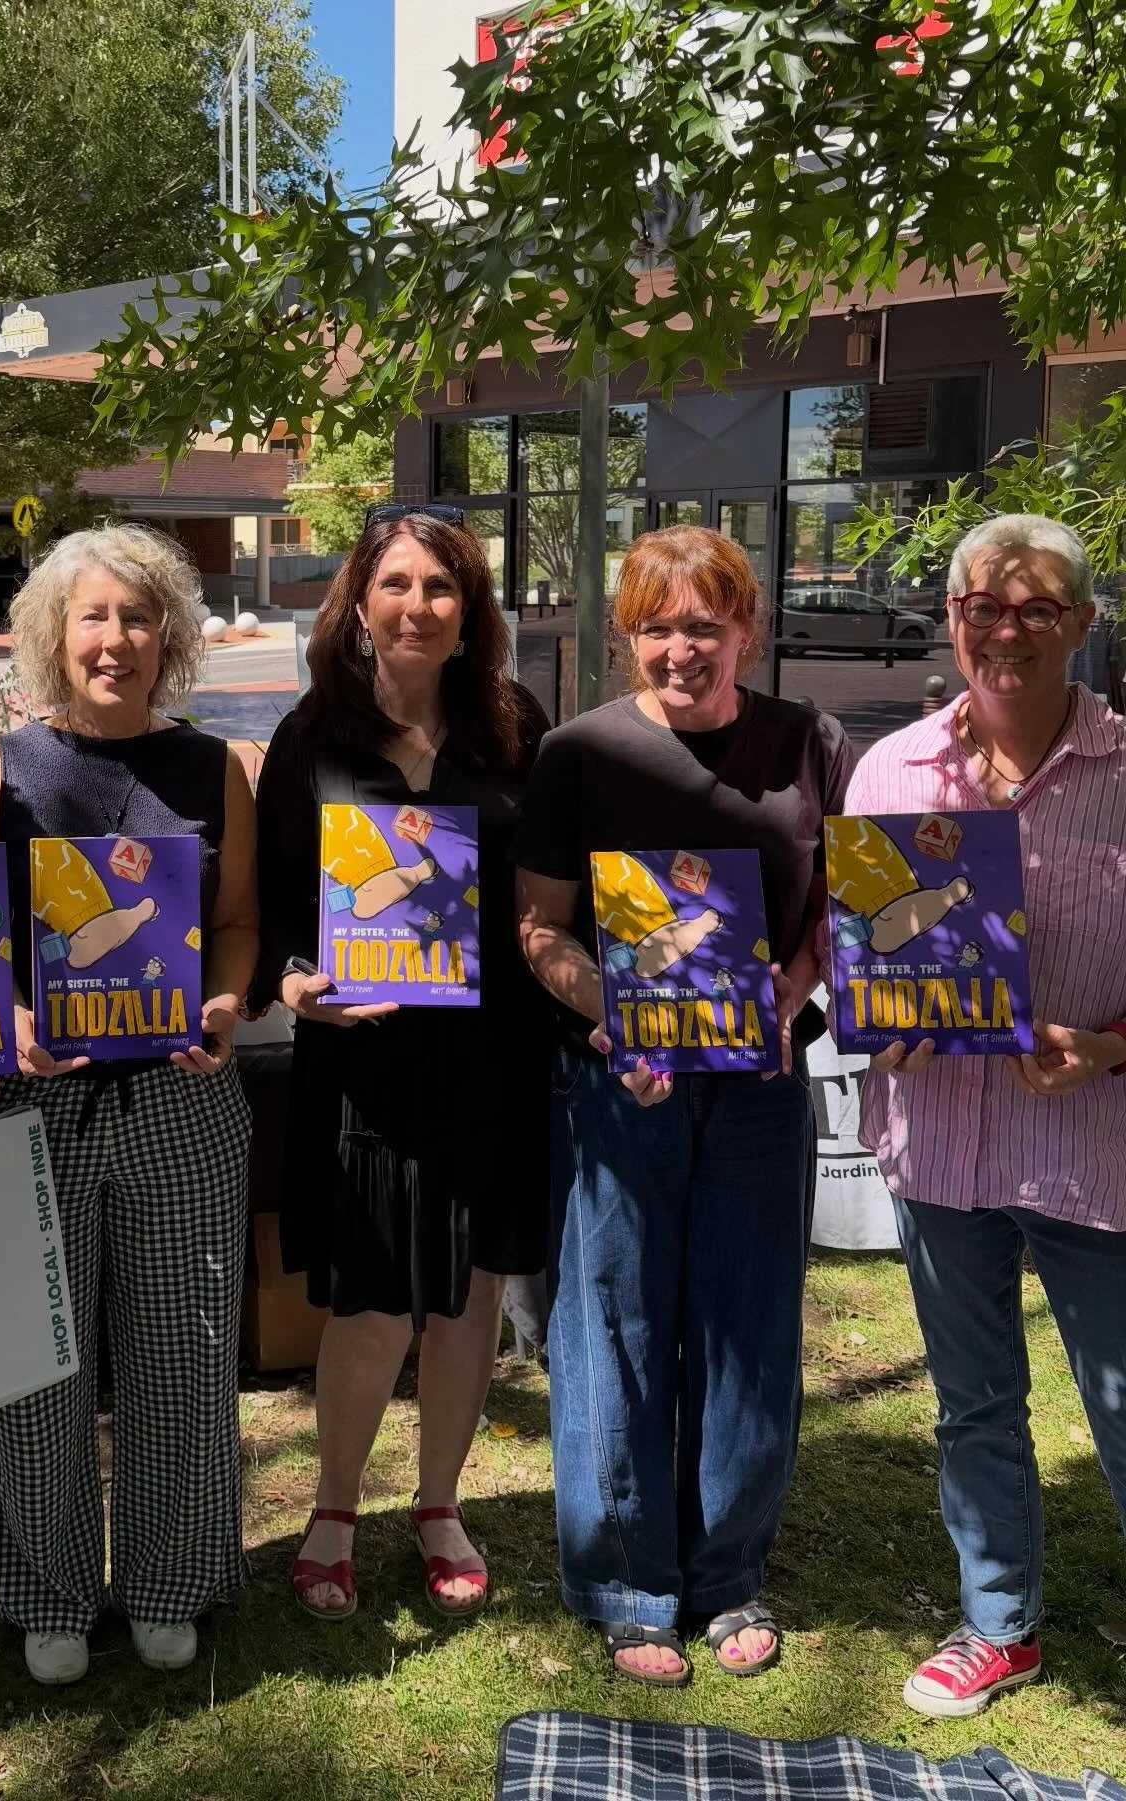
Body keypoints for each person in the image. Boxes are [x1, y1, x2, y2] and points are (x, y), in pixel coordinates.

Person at [515, 525, 853, 1686]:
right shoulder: (578, 753)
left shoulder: (808, 742)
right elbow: (541, 926)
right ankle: (625, 1581)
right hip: (621, 1083)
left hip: (758, 1083)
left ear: (746, 628)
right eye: (657, 627)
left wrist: (793, 992)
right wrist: (608, 1007)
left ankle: (727, 1569)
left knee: (747, 1320)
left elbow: (837, 906)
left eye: (705, 624)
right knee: (611, 1320)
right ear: (627, 636)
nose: (681, 648)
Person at [0, 524, 256, 1686]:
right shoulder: (4, 769)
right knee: (33, 1359)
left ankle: (171, 1579)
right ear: (55, 632)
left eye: (138, 617)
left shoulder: (213, 768)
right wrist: (5, 1018)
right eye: (94, 616)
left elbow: (235, 921)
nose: (116, 639)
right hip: (37, 1104)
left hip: (180, 1098)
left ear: (168, 635)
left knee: (185, 1344)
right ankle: (51, 1591)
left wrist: (224, 1001)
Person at [844, 515, 1126, 1718]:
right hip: (940, 1144)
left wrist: (1111, 1044)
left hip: (1092, 1149)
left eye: (1037, 607)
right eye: (983, 606)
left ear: (1084, 622)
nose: (1007, 630)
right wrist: (882, 1016)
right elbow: (858, 946)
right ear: (951, 617)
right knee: (974, 1404)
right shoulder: (890, 772)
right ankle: (998, 1623)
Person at [252, 503, 551, 1622]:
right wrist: (295, 987)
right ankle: (335, 1507)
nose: (418, 606)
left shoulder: (516, 728)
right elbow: (273, 908)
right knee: (373, 1304)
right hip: (364, 1065)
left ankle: (438, 1503)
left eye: (441, 586)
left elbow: (551, 891)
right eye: (396, 584)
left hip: (492, 1063)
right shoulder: (311, 738)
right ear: (359, 606)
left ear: (470, 611)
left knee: (468, 1300)